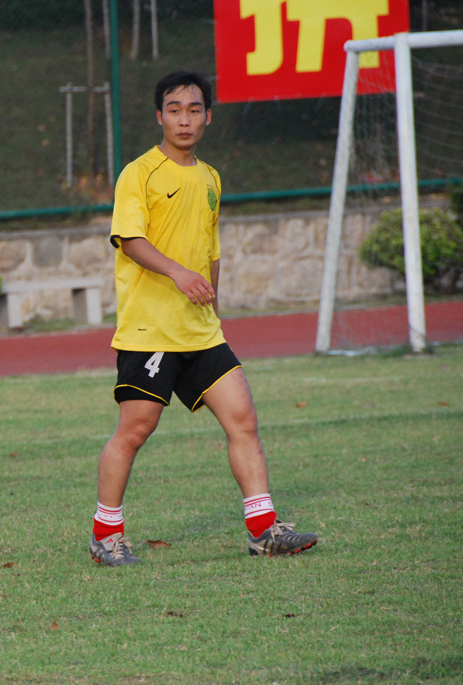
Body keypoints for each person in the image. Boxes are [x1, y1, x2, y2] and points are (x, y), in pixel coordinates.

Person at [89, 71, 318, 565]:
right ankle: (106, 535)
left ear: (208, 117)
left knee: (243, 419)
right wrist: (177, 273)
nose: (184, 119)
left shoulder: (211, 178)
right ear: (159, 117)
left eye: (194, 110)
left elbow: (210, 250)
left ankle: (263, 531)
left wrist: (212, 305)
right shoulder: (139, 173)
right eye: (174, 110)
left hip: (201, 331)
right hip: (150, 330)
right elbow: (129, 240)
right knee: (136, 429)